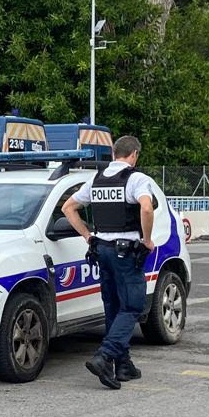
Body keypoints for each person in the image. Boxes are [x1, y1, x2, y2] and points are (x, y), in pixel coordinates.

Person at [62, 135, 156, 389]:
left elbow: (68, 207)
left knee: (113, 306)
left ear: (114, 154)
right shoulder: (136, 179)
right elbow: (146, 209)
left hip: (101, 250)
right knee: (133, 306)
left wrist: (87, 236)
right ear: (134, 154)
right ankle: (105, 356)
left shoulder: (96, 180)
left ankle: (123, 365)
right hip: (126, 253)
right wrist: (147, 240)